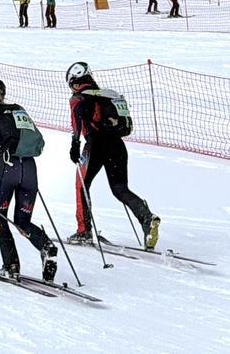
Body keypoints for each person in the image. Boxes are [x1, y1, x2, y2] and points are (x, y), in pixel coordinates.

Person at [0, 76, 58, 281]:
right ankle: (47, 247)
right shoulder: (18, 110)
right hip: (30, 169)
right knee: (22, 220)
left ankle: (11, 266)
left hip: (6, 167)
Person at [66, 61, 160, 250]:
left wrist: (75, 144)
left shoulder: (79, 98)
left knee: (81, 184)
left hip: (96, 145)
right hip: (117, 145)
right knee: (120, 188)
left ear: (75, 82)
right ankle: (147, 217)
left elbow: (77, 123)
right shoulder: (108, 95)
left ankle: (84, 231)